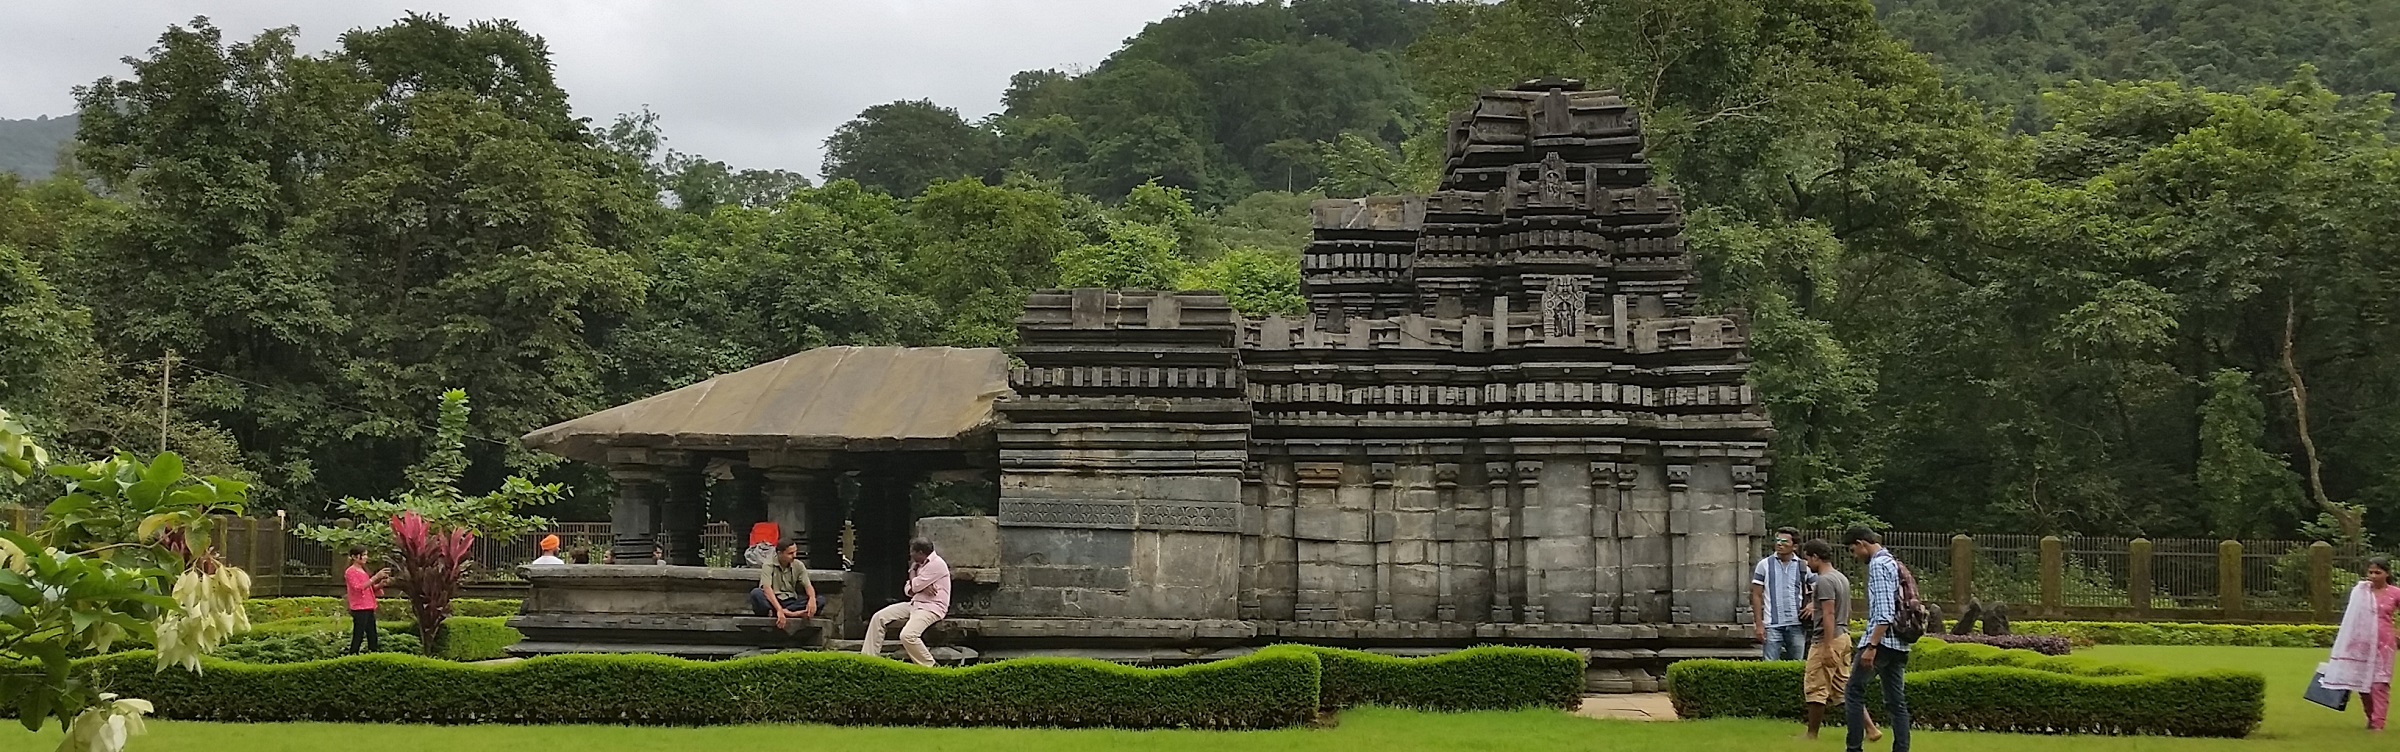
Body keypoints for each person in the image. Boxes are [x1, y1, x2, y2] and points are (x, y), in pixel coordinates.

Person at [1801, 539, 1878, 741]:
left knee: (1815, 687)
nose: (1806, 563)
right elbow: (1847, 610)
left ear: (1815, 557)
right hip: (1843, 636)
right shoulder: (1841, 578)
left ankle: (1811, 735)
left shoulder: (1825, 581)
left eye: (1807, 558)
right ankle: (1871, 729)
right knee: (1843, 688)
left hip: (1828, 638)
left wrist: (1827, 646)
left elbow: (1828, 613)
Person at [1845, 526, 1910, 752]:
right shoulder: (1893, 562)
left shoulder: (1878, 565)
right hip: (1900, 643)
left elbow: (1883, 613)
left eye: (1854, 550)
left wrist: (1871, 645)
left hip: (1881, 642)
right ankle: (1901, 748)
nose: (1855, 556)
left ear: (1863, 543)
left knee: (1853, 692)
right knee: (1896, 702)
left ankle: (1854, 748)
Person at [2320, 556, 2400, 730]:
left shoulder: (2395, 593)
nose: (2373, 576)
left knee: (2380, 683)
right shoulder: (2361, 591)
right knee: (2363, 684)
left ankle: (2379, 723)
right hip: (2361, 642)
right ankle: (2371, 718)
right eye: (2370, 572)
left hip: (2384, 642)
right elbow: (2352, 617)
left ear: (2387, 573)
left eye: (2377, 572)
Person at [863, 538, 950, 666]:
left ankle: (930, 665)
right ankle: (868, 659)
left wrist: (912, 573)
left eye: (912, 552)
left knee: (908, 635)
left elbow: (914, 586)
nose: (910, 555)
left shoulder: (936, 564)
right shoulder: (919, 564)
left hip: (931, 607)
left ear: (920, 552)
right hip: (915, 603)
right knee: (878, 617)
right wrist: (920, 586)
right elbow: (908, 589)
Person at [1752, 526, 1808, 660]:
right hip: (1772, 625)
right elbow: (1756, 595)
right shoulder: (1764, 565)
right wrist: (1759, 624)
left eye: (1784, 541)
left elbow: (1817, 588)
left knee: (1796, 665)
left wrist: (1811, 606)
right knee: (1770, 666)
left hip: (1797, 623)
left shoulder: (1803, 565)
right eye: (1777, 540)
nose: (1779, 544)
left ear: (1794, 546)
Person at [750, 540, 822, 629]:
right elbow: (767, 588)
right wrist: (779, 609)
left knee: (820, 600)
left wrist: (812, 599)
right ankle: (792, 614)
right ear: (780, 553)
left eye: (795, 552)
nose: (794, 556)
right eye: (790, 553)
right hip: (773, 601)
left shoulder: (798, 565)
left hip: (790, 602)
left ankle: (786, 613)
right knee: (756, 593)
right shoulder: (768, 565)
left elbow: (808, 585)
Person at [341, 545, 394, 655]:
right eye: (363, 555)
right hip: (359, 607)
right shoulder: (350, 572)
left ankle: (372, 655)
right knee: (358, 634)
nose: (366, 557)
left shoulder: (363, 571)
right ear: (355, 557)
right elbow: (358, 587)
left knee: (372, 634)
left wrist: (380, 584)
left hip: (368, 606)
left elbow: (370, 588)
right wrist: (375, 577)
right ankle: (353, 654)